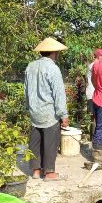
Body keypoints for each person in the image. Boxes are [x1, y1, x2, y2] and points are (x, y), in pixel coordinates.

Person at [24, 37, 69, 181]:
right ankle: (49, 172)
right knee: (50, 142)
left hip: (34, 111)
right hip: (49, 112)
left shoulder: (30, 66)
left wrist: (28, 108)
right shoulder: (52, 68)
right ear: (54, 52)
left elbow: (26, 90)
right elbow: (58, 93)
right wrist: (63, 115)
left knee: (35, 141)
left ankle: (36, 171)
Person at [86, 48, 102, 138]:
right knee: (96, 117)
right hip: (94, 93)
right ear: (98, 56)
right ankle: (94, 138)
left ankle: (92, 137)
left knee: (94, 117)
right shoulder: (94, 65)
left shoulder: (92, 65)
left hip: (92, 93)